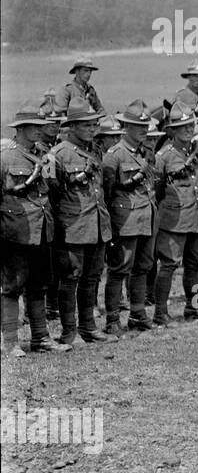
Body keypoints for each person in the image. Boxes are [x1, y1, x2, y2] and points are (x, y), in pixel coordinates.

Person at [46, 100, 116, 343]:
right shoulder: (57, 155)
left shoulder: (95, 151)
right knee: (70, 278)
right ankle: (69, 332)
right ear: (72, 126)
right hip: (72, 226)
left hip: (97, 225)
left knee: (92, 277)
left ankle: (89, 327)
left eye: (94, 124)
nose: (91, 129)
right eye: (85, 125)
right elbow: (52, 194)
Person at [1, 104, 68, 356]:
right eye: (35, 127)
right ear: (21, 129)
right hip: (15, 232)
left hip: (41, 229)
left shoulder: (44, 155)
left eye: (41, 127)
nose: (40, 131)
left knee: (39, 284)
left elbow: (52, 188)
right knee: (12, 285)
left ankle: (41, 338)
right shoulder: (6, 158)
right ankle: (9, 343)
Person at [101, 100, 157, 334]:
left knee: (143, 267)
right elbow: (107, 192)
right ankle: (113, 320)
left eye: (145, 126)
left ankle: (137, 314)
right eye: (138, 126)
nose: (143, 130)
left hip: (147, 217)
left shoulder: (146, 153)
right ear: (126, 127)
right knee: (119, 269)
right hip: (125, 221)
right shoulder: (114, 156)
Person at [152, 105, 198, 325]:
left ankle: (194, 306)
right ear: (172, 131)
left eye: (190, 125)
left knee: (195, 264)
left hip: (197, 217)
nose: (187, 130)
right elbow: (157, 192)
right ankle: (160, 312)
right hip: (174, 220)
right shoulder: (163, 157)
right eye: (181, 126)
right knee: (168, 265)